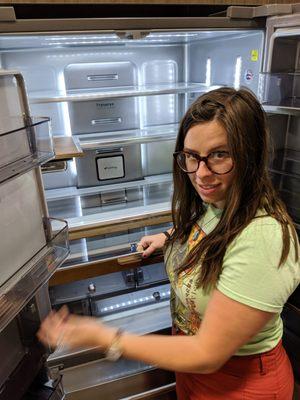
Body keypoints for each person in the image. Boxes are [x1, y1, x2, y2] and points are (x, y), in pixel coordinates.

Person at [38, 87, 300, 399]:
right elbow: (214, 229)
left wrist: (104, 336)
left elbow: (206, 354)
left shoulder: (263, 237)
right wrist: (171, 237)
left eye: (219, 154)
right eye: (192, 156)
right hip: (197, 375)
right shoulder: (221, 202)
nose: (201, 173)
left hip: (241, 385)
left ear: (250, 154)